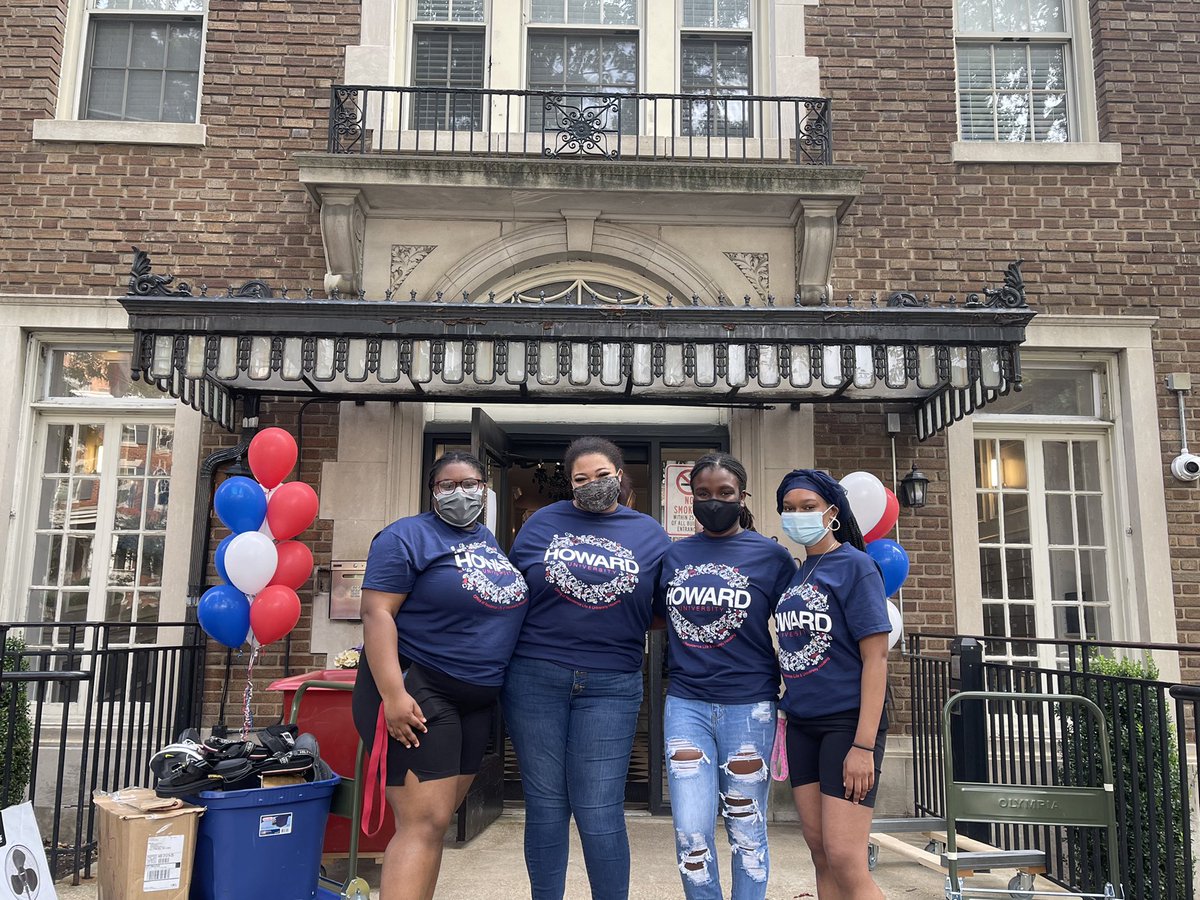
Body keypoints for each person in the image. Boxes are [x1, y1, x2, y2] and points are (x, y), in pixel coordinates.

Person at [352, 451, 528, 900]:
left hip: (475, 700)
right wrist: (393, 694)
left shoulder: (487, 540)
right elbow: (377, 614)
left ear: (485, 489)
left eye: (470, 484)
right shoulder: (405, 537)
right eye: (447, 486)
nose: (460, 493)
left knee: (435, 822)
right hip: (419, 688)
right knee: (422, 823)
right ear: (432, 492)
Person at [503, 436, 670, 900]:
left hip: (612, 683)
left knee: (599, 810)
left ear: (619, 476)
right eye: (580, 478)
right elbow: (515, 592)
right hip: (535, 675)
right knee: (546, 806)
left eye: (602, 475)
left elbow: (661, 608)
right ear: (569, 483)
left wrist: (614, 618)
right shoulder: (542, 523)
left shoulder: (649, 533)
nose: (592, 484)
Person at [660, 454, 796, 900]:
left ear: (742, 497)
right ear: (692, 496)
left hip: (750, 707)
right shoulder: (674, 555)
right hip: (686, 705)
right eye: (703, 494)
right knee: (691, 834)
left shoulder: (772, 556)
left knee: (747, 830)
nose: (713, 501)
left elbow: (799, 628)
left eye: (724, 493)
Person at [774, 469, 891, 899]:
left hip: (847, 724)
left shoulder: (857, 567)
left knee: (845, 856)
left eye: (808, 507)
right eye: (789, 509)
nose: (797, 515)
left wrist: (863, 746)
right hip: (803, 724)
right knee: (821, 852)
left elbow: (875, 658)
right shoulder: (798, 572)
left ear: (832, 512)